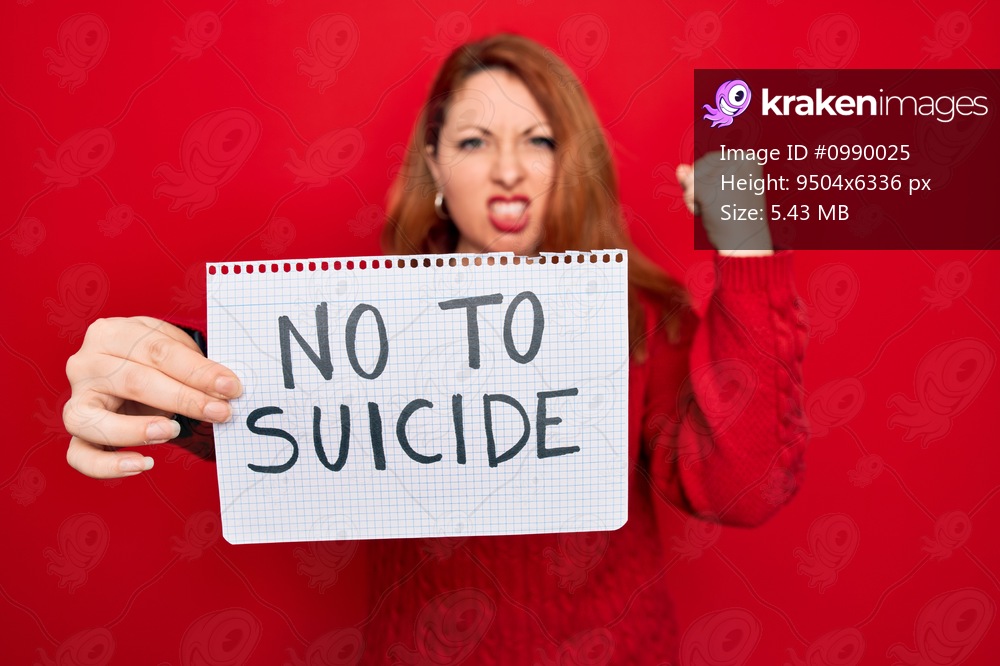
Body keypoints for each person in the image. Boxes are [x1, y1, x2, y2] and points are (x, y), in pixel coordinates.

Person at [63, 34, 807, 663]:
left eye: (539, 139)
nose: (509, 168)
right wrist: (160, 379)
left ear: (570, 162)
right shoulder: (370, 322)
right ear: (436, 166)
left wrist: (746, 255)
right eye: (475, 141)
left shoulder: (639, 314)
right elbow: (286, 414)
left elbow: (744, 486)